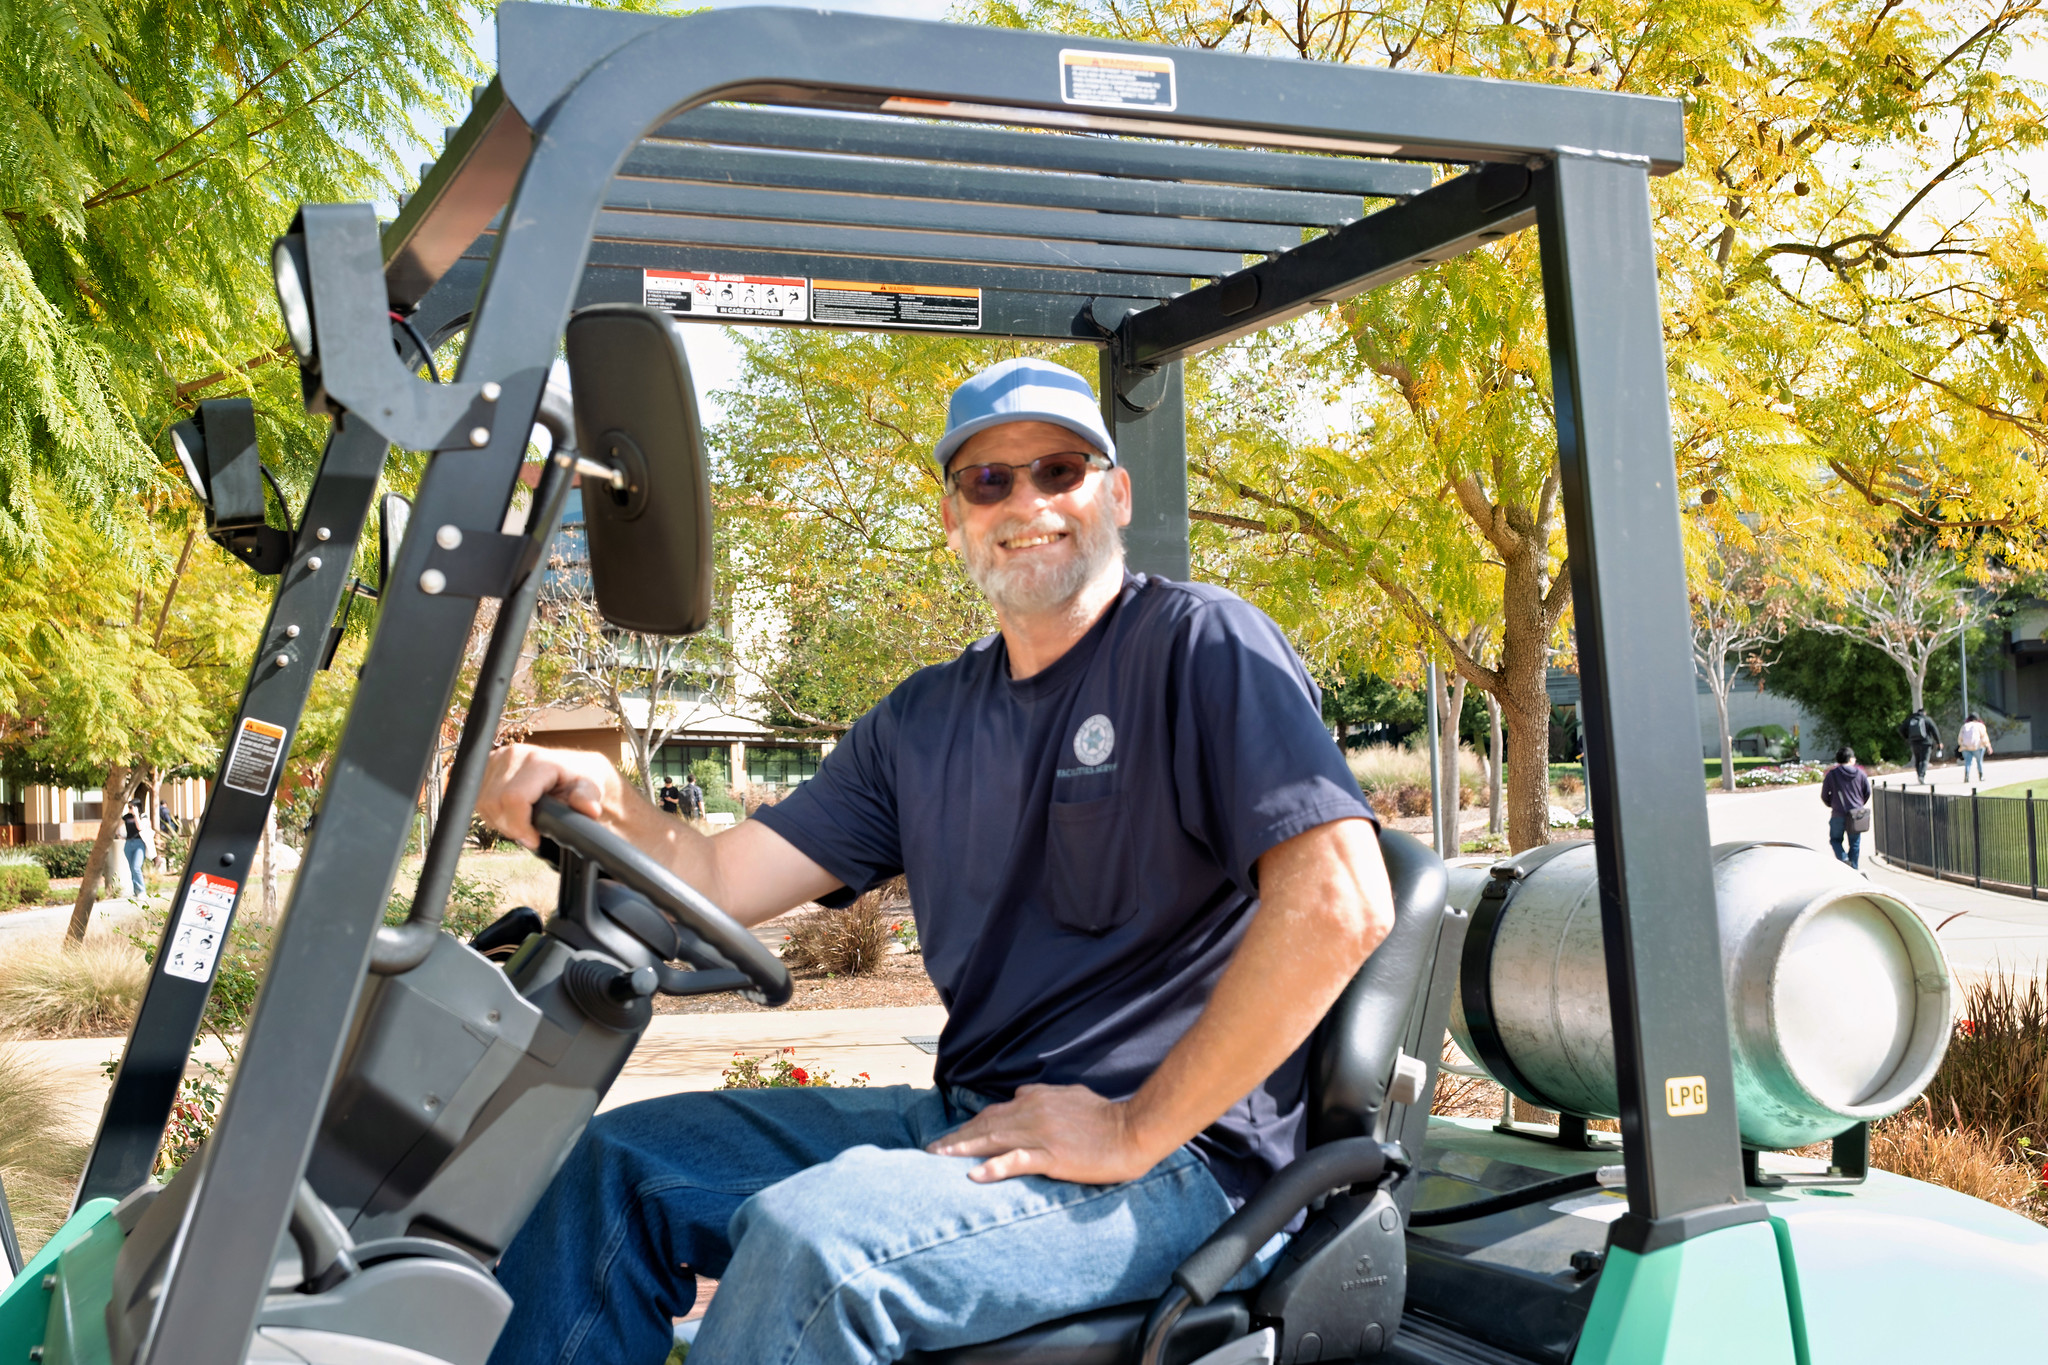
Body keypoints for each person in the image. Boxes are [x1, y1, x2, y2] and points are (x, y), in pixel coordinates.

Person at [474, 357, 1396, 1365]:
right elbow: (719, 877)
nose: (1026, 501)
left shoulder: (1197, 646)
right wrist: (614, 807)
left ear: (1115, 494)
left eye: (1059, 469)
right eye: (987, 481)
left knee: (817, 1248)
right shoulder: (920, 720)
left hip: (1178, 1159)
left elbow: (1339, 903)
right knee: (614, 1169)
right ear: (953, 518)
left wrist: (1132, 1127)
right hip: (977, 1119)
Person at [1821, 746, 1872, 869]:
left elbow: (1824, 795)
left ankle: (1843, 859)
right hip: (1856, 814)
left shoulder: (1832, 775)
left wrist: (1832, 804)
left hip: (1838, 814)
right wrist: (1859, 804)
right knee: (1854, 843)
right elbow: (1867, 792)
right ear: (1850, 759)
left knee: (1835, 840)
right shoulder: (1860, 774)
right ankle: (1853, 868)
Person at [1900, 706, 1942, 783]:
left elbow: (1901, 729)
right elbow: (1934, 731)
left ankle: (1919, 775)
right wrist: (1938, 742)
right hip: (1926, 743)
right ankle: (1921, 776)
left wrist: (1907, 738)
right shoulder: (1927, 719)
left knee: (1917, 760)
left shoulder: (1910, 720)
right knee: (1924, 760)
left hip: (1914, 743)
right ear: (1924, 713)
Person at [119, 801, 151, 897]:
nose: (130, 809)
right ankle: (136, 891)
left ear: (137, 807)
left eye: (132, 807)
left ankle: (142, 891)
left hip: (139, 843)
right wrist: (121, 835)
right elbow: (119, 827)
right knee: (132, 868)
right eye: (129, 807)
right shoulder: (127, 817)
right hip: (128, 843)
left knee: (136, 867)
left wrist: (136, 815)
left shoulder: (143, 816)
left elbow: (140, 827)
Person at [1957, 712, 1992, 784]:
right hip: (1978, 747)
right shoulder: (1980, 726)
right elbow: (1984, 737)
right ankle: (1981, 776)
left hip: (1966, 748)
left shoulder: (1965, 726)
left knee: (1968, 762)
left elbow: (1960, 738)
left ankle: (1966, 776)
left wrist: (1962, 745)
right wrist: (1988, 746)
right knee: (1979, 762)